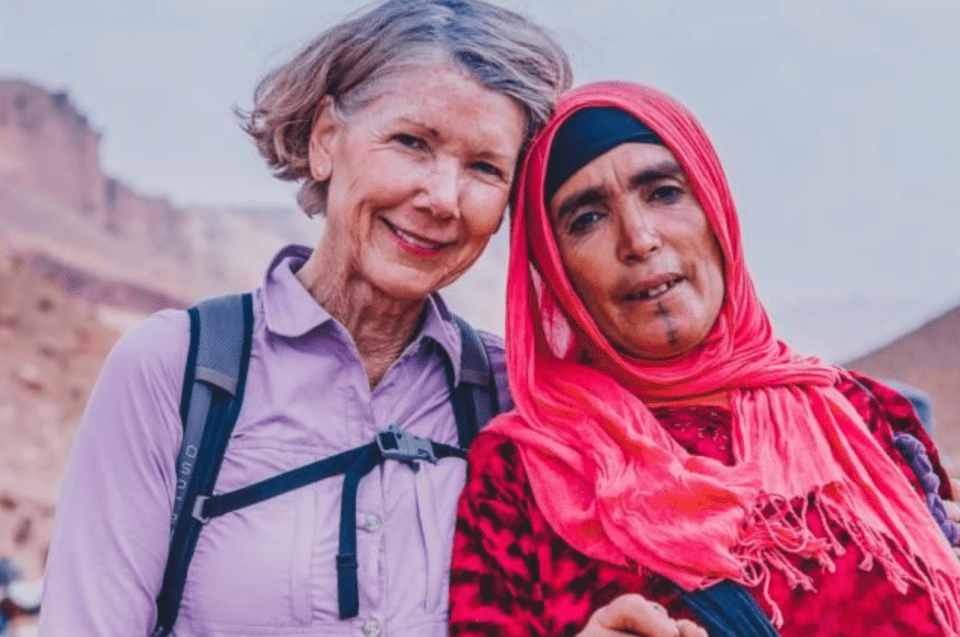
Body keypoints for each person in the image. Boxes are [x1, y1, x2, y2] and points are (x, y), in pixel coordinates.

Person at [39, 2, 571, 635]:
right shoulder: (178, 372)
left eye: (485, 168)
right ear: (326, 140)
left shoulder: (518, 402)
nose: (442, 198)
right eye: (412, 142)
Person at [449, 81, 960, 637]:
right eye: (586, 219)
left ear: (716, 211)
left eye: (664, 192)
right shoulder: (519, 478)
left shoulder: (862, 414)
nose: (639, 239)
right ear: (555, 273)